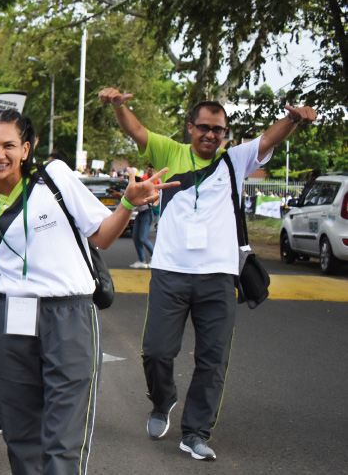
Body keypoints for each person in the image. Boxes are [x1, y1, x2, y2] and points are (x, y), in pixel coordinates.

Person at [98, 88, 315, 460]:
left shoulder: (235, 160)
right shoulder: (171, 152)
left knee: (213, 358)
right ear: (190, 128)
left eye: (219, 129)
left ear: (226, 133)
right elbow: (137, 132)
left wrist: (294, 118)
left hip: (218, 276)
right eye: (204, 127)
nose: (211, 135)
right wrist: (120, 105)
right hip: (170, 273)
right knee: (156, 352)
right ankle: (163, 399)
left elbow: (269, 137)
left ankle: (195, 432)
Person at [0, 109, 172, 475]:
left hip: (68, 313)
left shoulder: (52, 177)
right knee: (19, 426)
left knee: (64, 430)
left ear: (26, 149)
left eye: (9, 145)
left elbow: (101, 235)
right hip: (13, 312)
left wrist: (126, 204)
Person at [130, 166, 157, 269]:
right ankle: (142, 261)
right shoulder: (135, 187)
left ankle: (155, 259)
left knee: (142, 238)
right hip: (140, 214)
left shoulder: (141, 186)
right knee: (136, 237)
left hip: (147, 213)